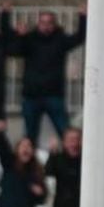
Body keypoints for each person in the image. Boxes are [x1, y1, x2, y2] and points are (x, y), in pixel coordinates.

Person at [9, 8, 87, 144]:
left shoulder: (60, 39)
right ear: (38, 24)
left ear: (54, 24)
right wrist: (19, 36)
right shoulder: (29, 39)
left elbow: (79, 37)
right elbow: (14, 51)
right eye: (43, 22)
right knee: (30, 136)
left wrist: (83, 17)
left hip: (54, 95)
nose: (46, 26)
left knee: (65, 133)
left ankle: (71, 162)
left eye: (49, 22)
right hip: (31, 96)